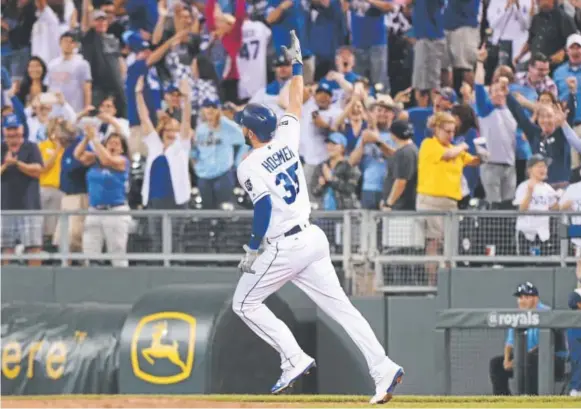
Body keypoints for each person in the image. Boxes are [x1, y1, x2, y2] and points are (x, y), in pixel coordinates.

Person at [232, 30, 403, 404]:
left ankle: (293, 358)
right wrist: (297, 65)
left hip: (284, 245)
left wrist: (251, 247)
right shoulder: (286, 139)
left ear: (248, 131)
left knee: (243, 303)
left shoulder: (249, 164)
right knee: (343, 309)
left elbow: (262, 208)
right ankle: (383, 368)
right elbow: (296, 103)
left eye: (241, 124)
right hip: (311, 238)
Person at [73, 126, 131, 267]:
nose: (113, 145)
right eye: (110, 142)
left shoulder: (122, 161)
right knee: (90, 251)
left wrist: (95, 139)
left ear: (122, 149)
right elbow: (77, 155)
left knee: (117, 251)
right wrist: (87, 138)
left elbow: (107, 160)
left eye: (117, 144)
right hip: (95, 210)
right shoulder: (95, 160)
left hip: (115, 210)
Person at [489, 282, 550, 395]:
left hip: (547, 359)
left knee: (530, 360)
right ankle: (504, 402)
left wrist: (519, 360)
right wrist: (507, 360)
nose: (521, 301)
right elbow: (510, 342)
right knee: (496, 363)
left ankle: (531, 400)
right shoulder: (518, 315)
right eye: (520, 297)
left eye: (525, 297)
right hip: (523, 358)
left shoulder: (546, 313)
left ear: (535, 299)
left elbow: (546, 344)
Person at [1, 113, 43, 266]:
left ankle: (36, 284)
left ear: (21, 129)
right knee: (6, 248)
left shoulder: (31, 147)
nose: (13, 133)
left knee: (33, 246)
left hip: (29, 206)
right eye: (9, 129)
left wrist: (17, 164)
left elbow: (38, 170)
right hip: (5, 207)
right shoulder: (1, 148)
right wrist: (6, 164)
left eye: (15, 129)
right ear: (4, 131)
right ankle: (6, 284)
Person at [310, 132, 361, 210]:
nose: (330, 147)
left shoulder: (350, 165)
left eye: (334, 144)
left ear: (343, 147)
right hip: (324, 214)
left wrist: (331, 179)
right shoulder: (321, 166)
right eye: (328, 144)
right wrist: (321, 185)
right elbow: (314, 192)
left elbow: (350, 189)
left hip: (345, 213)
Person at [381, 119, 417, 211]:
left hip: (400, 207)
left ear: (393, 135)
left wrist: (388, 203)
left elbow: (401, 181)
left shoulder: (405, 153)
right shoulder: (410, 150)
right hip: (400, 205)